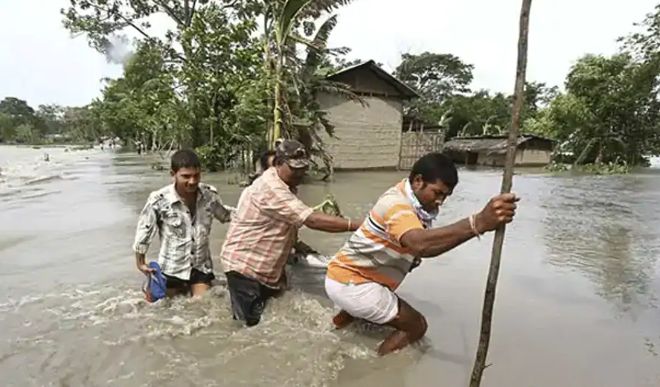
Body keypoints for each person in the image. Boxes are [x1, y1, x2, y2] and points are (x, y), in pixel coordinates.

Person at [324, 152, 519, 356]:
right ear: (418, 181)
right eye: (437, 193)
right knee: (416, 326)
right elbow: (420, 245)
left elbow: (418, 244)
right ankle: (376, 365)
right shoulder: (396, 204)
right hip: (353, 283)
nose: (441, 202)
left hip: (345, 276)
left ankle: (331, 330)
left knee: (361, 312)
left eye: (446, 196)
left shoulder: (409, 199)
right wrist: (477, 223)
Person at [220, 139, 363, 326]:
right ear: (278, 163)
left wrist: (301, 246)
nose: (300, 173)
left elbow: (284, 224)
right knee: (249, 328)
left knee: (270, 321)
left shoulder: (286, 185)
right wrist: (358, 224)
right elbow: (311, 220)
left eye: (303, 168)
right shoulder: (271, 188)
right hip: (245, 267)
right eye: (294, 168)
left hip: (267, 268)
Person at [132, 149, 233, 298]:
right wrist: (141, 263)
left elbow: (226, 215)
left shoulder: (209, 195)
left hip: (201, 268)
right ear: (173, 174)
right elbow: (144, 231)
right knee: (161, 309)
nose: (192, 181)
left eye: (196, 175)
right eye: (186, 176)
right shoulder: (159, 200)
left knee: (202, 306)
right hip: (171, 268)